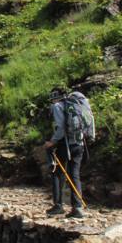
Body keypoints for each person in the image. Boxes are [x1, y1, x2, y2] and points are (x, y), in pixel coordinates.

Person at [45, 88, 86, 219]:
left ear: (55, 97)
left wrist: (52, 142)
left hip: (66, 144)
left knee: (57, 173)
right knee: (74, 174)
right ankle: (77, 208)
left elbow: (60, 127)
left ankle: (58, 205)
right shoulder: (76, 105)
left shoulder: (58, 106)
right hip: (79, 143)